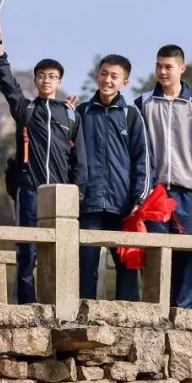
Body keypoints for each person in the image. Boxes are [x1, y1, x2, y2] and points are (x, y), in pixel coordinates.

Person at [0, 16, 86, 304]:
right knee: (27, 251)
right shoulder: (25, 109)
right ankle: (27, 307)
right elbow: (6, 81)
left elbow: (79, 160)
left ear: (59, 81)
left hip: (60, 194)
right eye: (42, 75)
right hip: (29, 190)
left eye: (52, 76)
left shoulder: (70, 115)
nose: (46, 80)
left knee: (60, 252)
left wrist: (78, 194)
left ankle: (59, 306)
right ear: (35, 79)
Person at [135, 44, 192, 309]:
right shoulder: (143, 103)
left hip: (187, 192)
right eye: (158, 66)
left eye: (168, 67)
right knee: (154, 254)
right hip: (154, 192)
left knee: (186, 255)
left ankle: (183, 311)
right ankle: (154, 309)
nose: (162, 72)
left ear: (182, 68)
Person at [75, 54, 150, 301]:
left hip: (124, 207)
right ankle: (82, 314)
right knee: (85, 266)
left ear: (124, 82)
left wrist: (138, 199)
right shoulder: (81, 113)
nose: (107, 80)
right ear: (97, 76)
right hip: (89, 204)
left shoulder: (131, 115)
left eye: (114, 76)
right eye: (103, 74)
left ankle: (129, 315)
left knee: (127, 266)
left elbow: (142, 160)